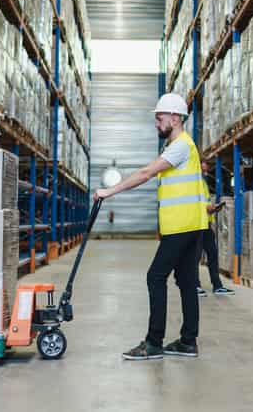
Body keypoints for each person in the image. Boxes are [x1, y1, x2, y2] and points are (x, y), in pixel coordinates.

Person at [95, 93, 208, 360]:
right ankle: (188, 341)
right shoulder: (181, 146)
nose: (156, 124)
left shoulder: (180, 146)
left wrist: (109, 191)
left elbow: (146, 173)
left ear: (175, 118)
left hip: (182, 227)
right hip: (190, 225)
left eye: (159, 119)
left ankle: (154, 342)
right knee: (187, 281)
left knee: (155, 277)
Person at [197, 161, 234, 297]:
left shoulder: (203, 183)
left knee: (212, 255)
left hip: (206, 224)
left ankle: (217, 286)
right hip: (196, 225)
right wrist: (208, 208)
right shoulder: (194, 183)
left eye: (206, 171)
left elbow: (204, 202)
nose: (205, 173)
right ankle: (194, 285)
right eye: (203, 170)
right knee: (194, 257)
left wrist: (212, 209)